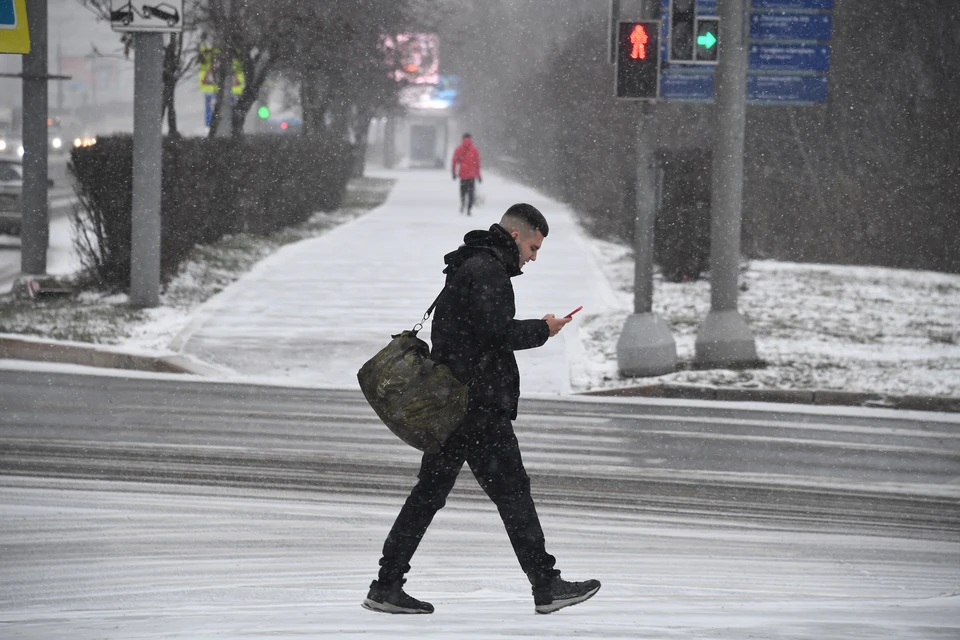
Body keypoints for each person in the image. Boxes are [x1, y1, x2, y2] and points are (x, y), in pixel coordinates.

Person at [362, 203, 601, 616]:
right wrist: (544, 329)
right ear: (514, 237)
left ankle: (386, 584)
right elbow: (495, 334)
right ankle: (546, 585)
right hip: (478, 406)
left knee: (429, 495)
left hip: (454, 403)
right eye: (532, 245)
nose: (533, 256)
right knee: (512, 494)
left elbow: (467, 333)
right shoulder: (488, 271)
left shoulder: (469, 263)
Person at [451, 133, 482, 216]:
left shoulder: (459, 149)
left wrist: (453, 172)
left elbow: (454, 161)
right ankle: (469, 209)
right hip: (471, 176)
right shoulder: (474, 150)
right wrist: (478, 176)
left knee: (463, 192)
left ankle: (462, 204)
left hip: (463, 175)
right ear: (471, 138)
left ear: (462, 138)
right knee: (471, 193)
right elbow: (477, 164)